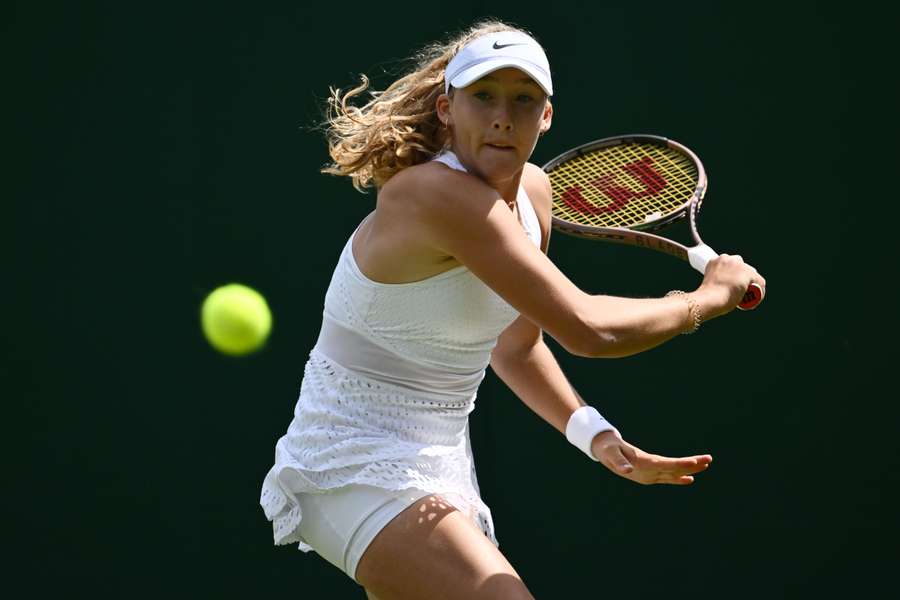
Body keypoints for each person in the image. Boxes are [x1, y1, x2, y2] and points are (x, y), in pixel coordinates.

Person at [259, 19, 766, 600]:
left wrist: (594, 434)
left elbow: (518, 345)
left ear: (545, 116)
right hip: (350, 459)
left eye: (523, 100)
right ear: (448, 108)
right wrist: (707, 300)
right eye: (483, 97)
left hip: (442, 460)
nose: (503, 116)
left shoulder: (535, 195)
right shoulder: (432, 194)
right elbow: (587, 328)